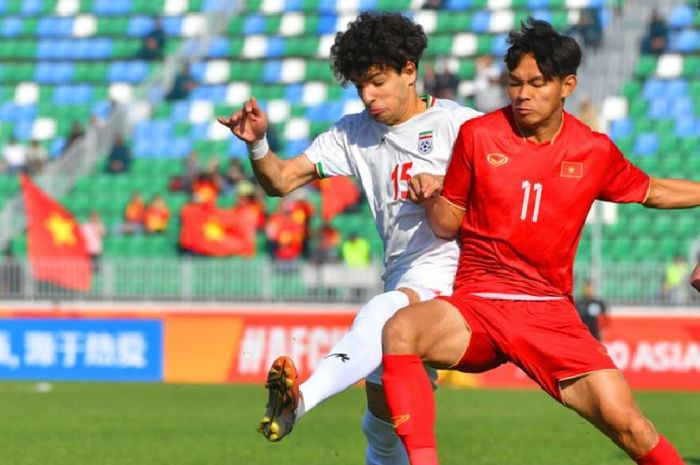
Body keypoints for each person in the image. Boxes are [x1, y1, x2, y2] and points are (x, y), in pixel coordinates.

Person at [380, 18, 691, 465]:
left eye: (537, 83)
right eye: (514, 83)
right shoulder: (478, 135)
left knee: (631, 426)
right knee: (400, 330)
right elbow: (448, 224)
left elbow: (652, 190)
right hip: (478, 305)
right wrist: (433, 199)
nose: (522, 94)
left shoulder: (594, 150)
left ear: (567, 85)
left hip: (549, 311)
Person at [217, 11, 480, 464]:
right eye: (360, 85)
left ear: (409, 70)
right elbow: (279, 181)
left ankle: (300, 402)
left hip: (457, 278)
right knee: (382, 428)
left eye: (377, 81)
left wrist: (448, 187)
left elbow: (509, 187)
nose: (368, 95)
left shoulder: (461, 126)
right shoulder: (353, 133)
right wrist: (257, 144)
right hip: (401, 277)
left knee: (382, 314)